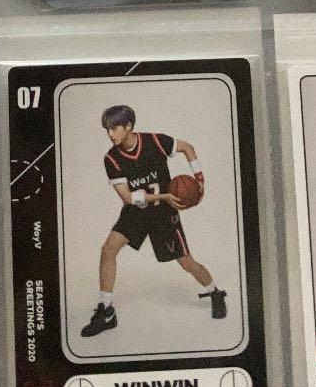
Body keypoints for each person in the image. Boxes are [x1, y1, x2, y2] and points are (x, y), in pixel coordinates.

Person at [81, 104, 225, 337]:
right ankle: (106, 311)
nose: (110, 134)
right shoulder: (111, 158)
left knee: (186, 262)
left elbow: (188, 148)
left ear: (128, 126)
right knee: (108, 250)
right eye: (107, 129)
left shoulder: (155, 141)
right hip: (136, 212)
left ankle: (215, 292)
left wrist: (199, 180)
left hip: (163, 214)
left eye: (114, 128)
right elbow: (128, 198)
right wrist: (164, 196)